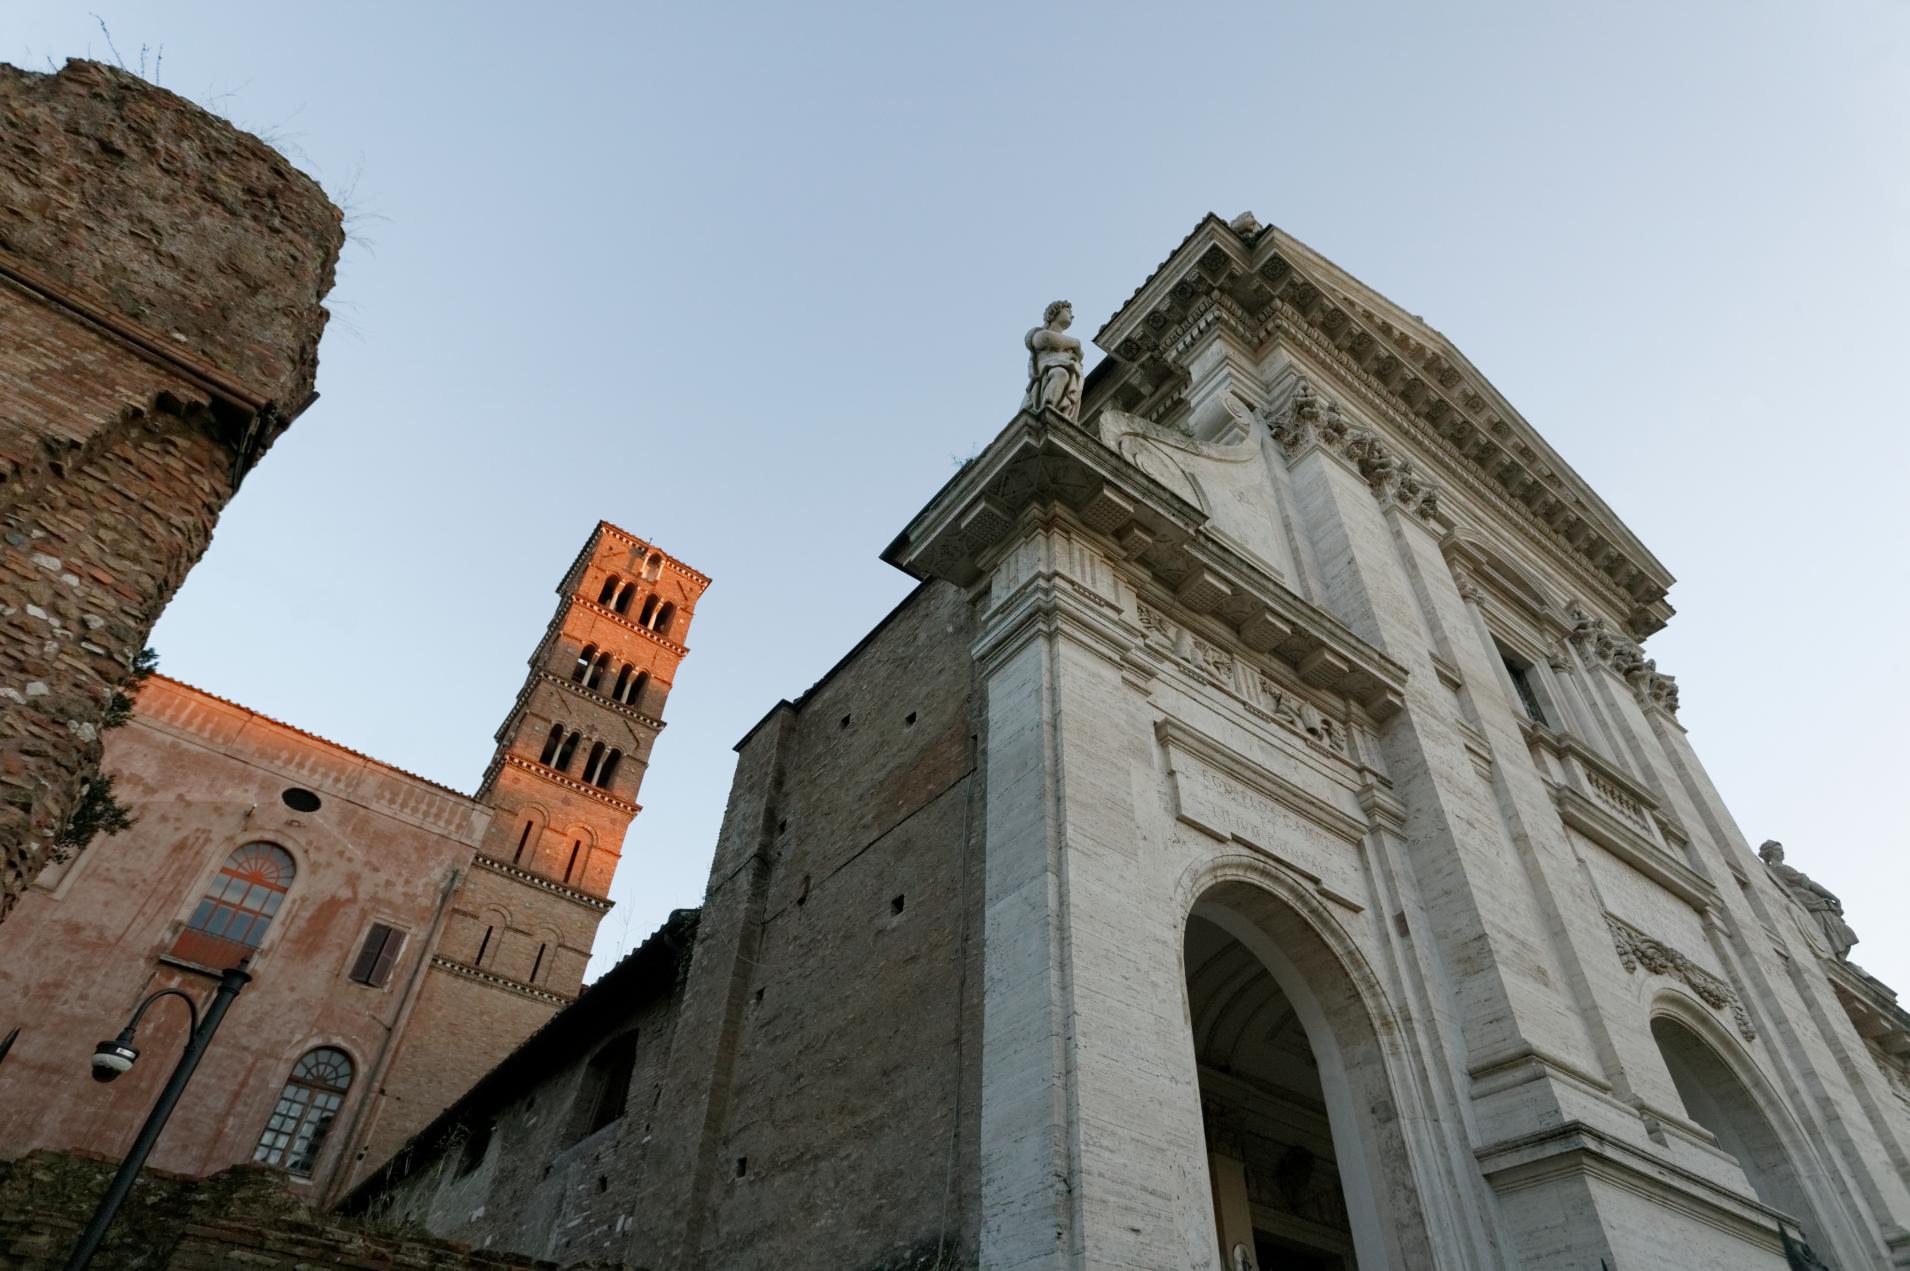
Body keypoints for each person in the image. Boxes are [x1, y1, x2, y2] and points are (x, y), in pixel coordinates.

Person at [1759, 840, 1859, 960]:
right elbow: (1809, 884)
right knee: (1842, 934)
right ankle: (1838, 959)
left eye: (1782, 850)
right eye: (1778, 850)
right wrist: (1833, 897)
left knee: (1838, 936)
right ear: (1770, 853)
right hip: (1813, 905)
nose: (1782, 853)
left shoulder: (1772, 870)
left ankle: (1839, 959)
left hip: (1812, 904)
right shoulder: (1781, 869)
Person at [1023, 300, 1084, 421]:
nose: (1071, 315)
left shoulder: (1069, 349)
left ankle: (1060, 413)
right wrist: (1076, 343)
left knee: (1064, 375)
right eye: (1067, 311)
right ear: (1054, 312)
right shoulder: (1037, 333)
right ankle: (1048, 407)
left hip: (1067, 378)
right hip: (1046, 371)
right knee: (1060, 374)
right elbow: (1044, 339)